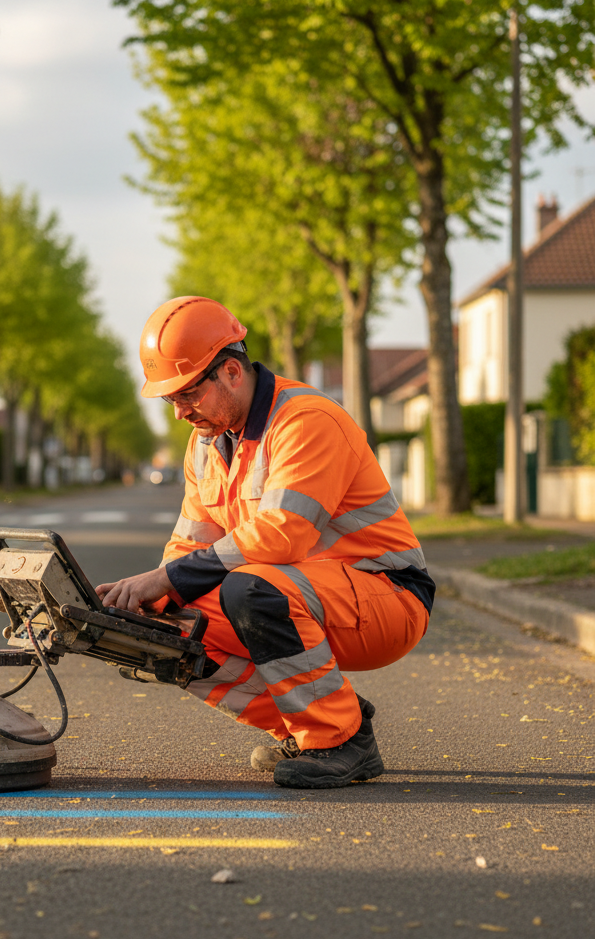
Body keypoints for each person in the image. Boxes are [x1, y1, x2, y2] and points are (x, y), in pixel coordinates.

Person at [95, 297, 434, 789]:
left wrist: (167, 580)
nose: (180, 413)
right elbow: (189, 546)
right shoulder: (206, 445)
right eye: (171, 401)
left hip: (387, 597)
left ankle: (339, 741)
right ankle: (322, 722)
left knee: (251, 590)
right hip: (308, 596)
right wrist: (147, 604)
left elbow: (282, 533)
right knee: (167, 633)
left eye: (188, 395)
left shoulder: (306, 420)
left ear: (231, 371)